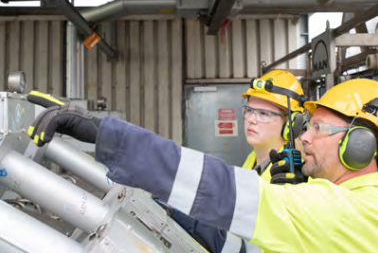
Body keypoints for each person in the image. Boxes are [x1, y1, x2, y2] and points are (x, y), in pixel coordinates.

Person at [27, 78, 378, 252]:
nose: (305, 138)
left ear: (361, 145)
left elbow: (220, 189)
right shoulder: (334, 192)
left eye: (317, 128)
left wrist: (105, 134)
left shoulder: (353, 211)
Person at [171, 69, 308, 252]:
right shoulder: (253, 160)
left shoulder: (289, 176)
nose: (251, 119)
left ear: (291, 124)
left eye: (263, 114)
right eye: (249, 110)